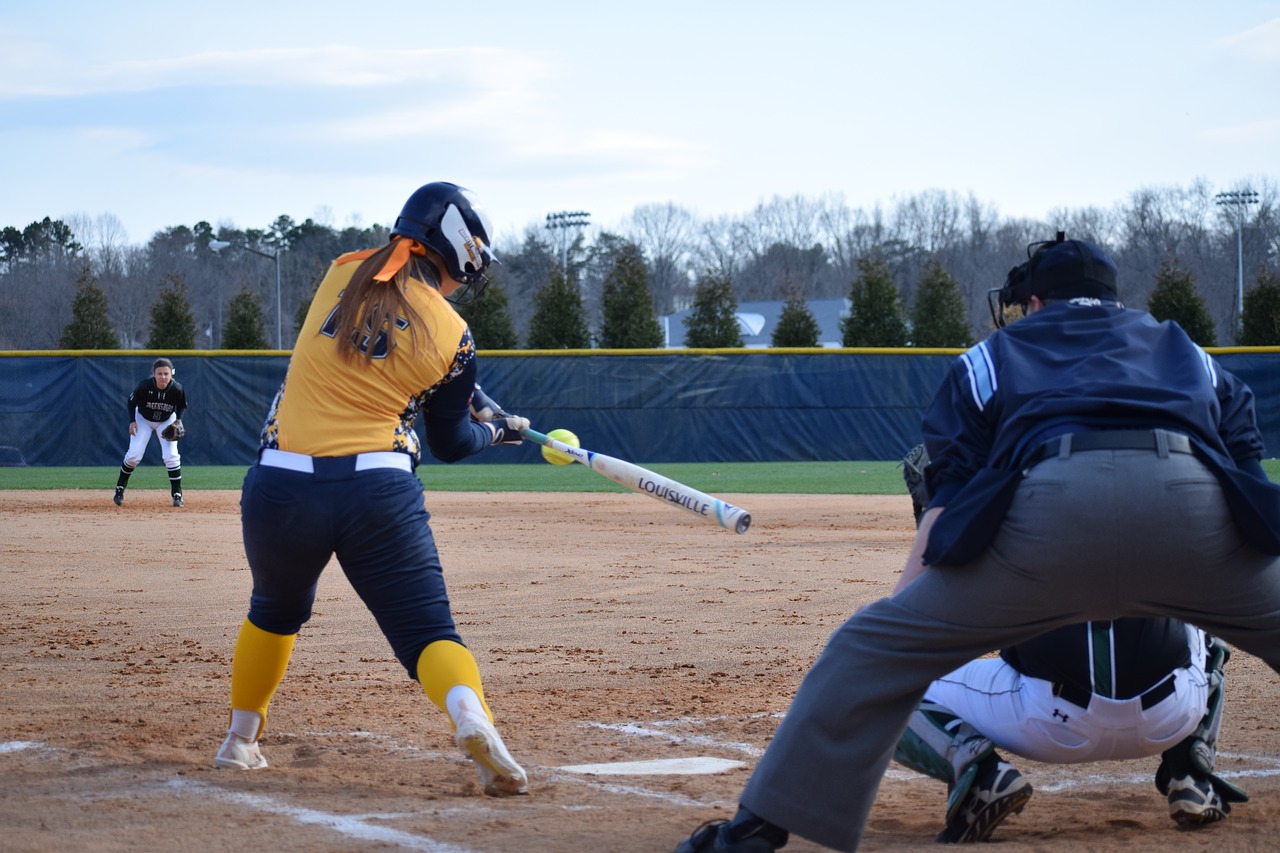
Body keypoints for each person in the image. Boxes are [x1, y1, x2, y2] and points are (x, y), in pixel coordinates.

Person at [675, 233, 1280, 852]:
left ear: (1036, 303)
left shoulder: (998, 351)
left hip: (1053, 514)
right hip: (1189, 510)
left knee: (868, 648)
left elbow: (950, 497)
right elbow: (1246, 475)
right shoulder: (1186, 349)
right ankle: (1189, 763)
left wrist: (903, 619)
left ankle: (754, 833)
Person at [213, 182, 533, 798]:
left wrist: (467, 400)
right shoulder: (455, 335)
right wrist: (493, 431)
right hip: (375, 493)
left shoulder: (344, 271)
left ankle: (240, 741)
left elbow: (366, 351)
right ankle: (471, 719)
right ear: (460, 253)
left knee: (274, 614)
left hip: (280, 485)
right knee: (428, 634)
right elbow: (450, 441)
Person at [898, 446, 1247, 842]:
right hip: (1169, 716)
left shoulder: (999, 528)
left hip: (1047, 722)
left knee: (886, 676)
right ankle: (1191, 774)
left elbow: (933, 631)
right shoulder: (1152, 499)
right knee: (1204, 633)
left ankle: (980, 775)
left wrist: (941, 513)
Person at [113, 357, 187, 507]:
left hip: (166, 420)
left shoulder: (177, 389)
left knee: (171, 456)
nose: (163, 377)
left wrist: (178, 420)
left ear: (171, 374)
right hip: (143, 419)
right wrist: (132, 421)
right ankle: (120, 488)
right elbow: (131, 402)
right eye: (159, 373)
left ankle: (177, 494)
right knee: (134, 455)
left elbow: (181, 405)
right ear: (154, 374)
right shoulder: (145, 386)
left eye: (166, 373)